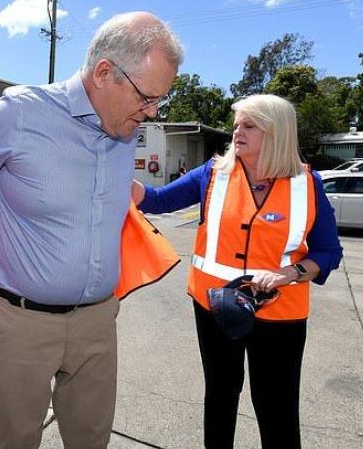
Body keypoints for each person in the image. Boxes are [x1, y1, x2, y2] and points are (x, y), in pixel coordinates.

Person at [0, 12, 183, 449]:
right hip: (18, 323)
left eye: (162, 99)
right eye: (146, 98)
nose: (152, 112)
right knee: (17, 441)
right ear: (105, 73)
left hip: (99, 322)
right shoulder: (20, 114)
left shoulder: (126, 125)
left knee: (91, 441)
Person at [132, 94, 343, 448]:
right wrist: (123, 183)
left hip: (282, 315)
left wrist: (290, 273)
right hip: (215, 307)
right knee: (220, 397)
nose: (237, 133)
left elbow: (328, 251)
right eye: (236, 126)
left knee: (277, 408)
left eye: (248, 125)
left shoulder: (308, 184)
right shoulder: (212, 174)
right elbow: (157, 200)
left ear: (275, 132)